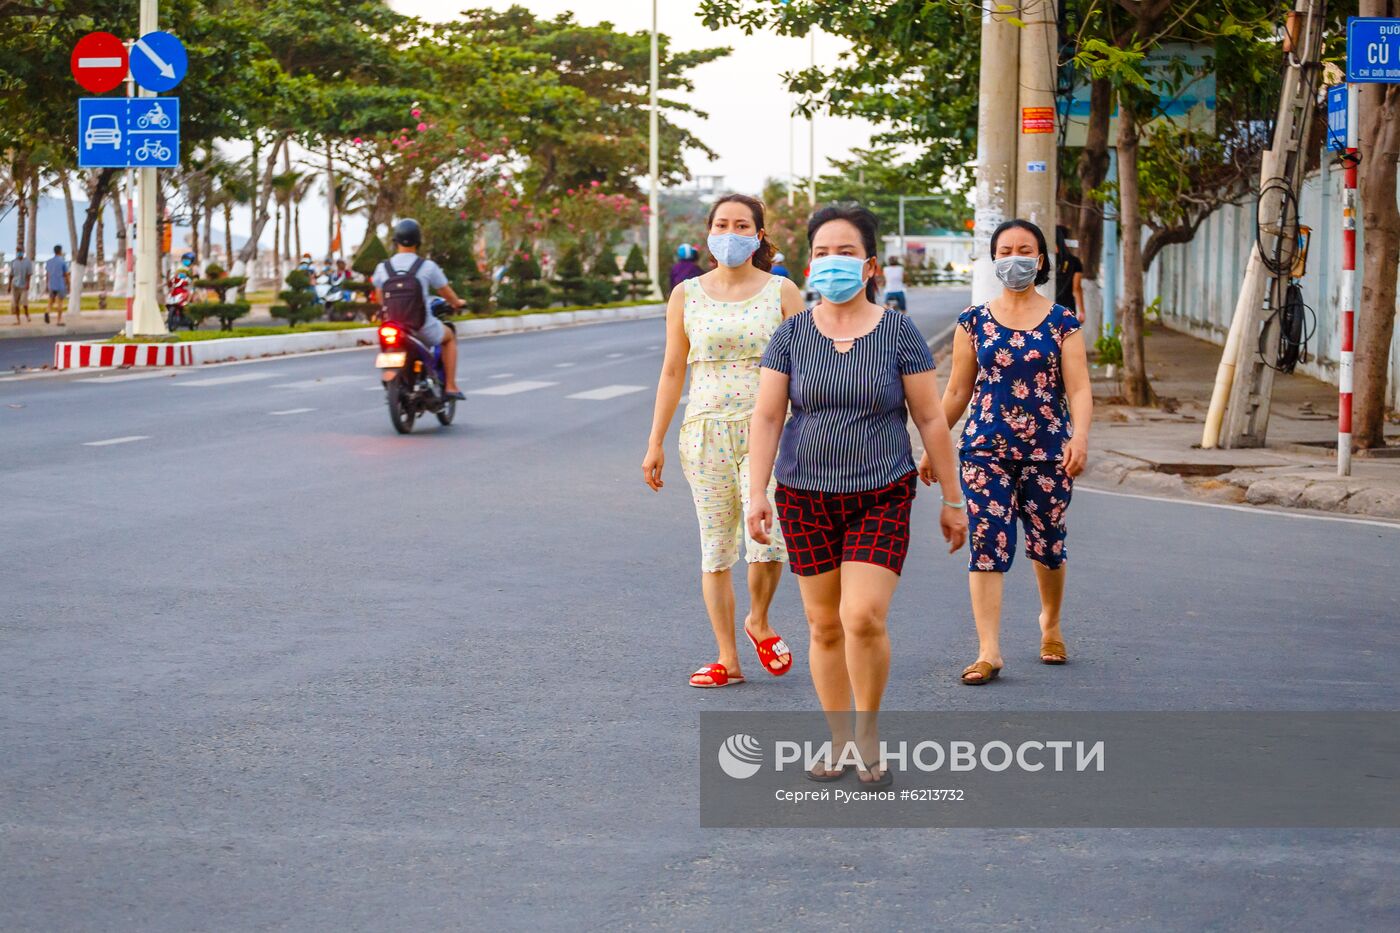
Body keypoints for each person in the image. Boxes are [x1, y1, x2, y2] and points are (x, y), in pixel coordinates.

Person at [746, 204, 967, 785]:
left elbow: (931, 418)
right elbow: (767, 418)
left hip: (881, 493)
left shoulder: (898, 332)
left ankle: (868, 732)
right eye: (821, 252)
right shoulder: (791, 335)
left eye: (845, 253)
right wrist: (757, 493)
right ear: (809, 262)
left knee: (862, 616)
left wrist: (952, 497)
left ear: (869, 266)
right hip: (803, 497)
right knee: (823, 626)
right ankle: (839, 740)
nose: (831, 262)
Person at [643, 193, 806, 689]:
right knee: (715, 547)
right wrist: (655, 442)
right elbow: (673, 369)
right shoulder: (686, 294)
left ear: (758, 235)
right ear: (709, 233)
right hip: (705, 430)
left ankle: (758, 619)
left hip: (770, 429)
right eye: (722, 223)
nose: (730, 232)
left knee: (768, 537)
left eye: (742, 225)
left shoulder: (782, 291)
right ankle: (727, 658)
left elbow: (810, 365)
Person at [922, 219, 1093, 685]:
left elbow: (1078, 389)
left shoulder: (1064, 323)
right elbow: (957, 391)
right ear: (993, 259)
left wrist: (1079, 437)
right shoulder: (973, 321)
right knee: (987, 542)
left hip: (1048, 450)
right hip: (984, 449)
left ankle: (1050, 623)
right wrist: (934, 446)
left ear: (1039, 260)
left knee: (1048, 544)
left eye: (1024, 250)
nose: (1014, 257)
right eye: (1005, 250)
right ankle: (988, 650)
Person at [370, 219, 467, 399]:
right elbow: (445, 291)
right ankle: (451, 386)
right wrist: (456, 302)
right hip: (421, 327)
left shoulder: (383, 268)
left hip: (392, 326)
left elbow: (379, 298)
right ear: (418, 242)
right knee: (449, 337)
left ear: (395, 241)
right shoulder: (427, 267)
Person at [1055, 225, 1085, 323]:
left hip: (1047, 308)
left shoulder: (1048, 261)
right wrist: (1082, 311)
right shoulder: (1075, 262)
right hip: (1068, 309)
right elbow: (1076, 288)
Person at [45, 245, 69, 326]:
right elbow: (66, 274)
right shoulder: (62, 262)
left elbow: (47, 274)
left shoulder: (49, 262)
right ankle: (58, 321)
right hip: (60, 284)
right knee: (60, 303)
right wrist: (69, 285)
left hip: (52, 284)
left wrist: (47, 284)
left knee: (51, 301)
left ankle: (47, 312)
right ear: (60, 251)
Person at [10, 249, 33, 324]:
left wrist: (28, 283)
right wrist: (9, 286)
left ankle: (27, 315)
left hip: (23, 285)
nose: (19, 253)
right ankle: (18, 320)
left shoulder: (27, 262)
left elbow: (29, 274)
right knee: (16, 304)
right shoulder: (13, 262)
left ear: (23, 252)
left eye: (21, 251)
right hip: (15, 285)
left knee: (24, 302)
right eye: (18, 251)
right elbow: (11, 274)